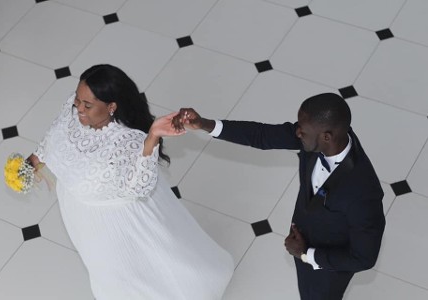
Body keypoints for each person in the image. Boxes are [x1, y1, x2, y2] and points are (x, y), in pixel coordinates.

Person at [27, 64, 234, 300]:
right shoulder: (74, 108)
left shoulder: (127, 141)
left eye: (87, 105)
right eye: (77, 99)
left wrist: (152, 137)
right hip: (79, 214)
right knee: (106, 273)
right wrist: (34, 159)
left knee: (140, 267)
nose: (78, 108)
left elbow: (140, 187)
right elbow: (56, 134)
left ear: (111, 107)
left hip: (116, 222)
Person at [173, 93, 385, 300]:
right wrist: (204, 124)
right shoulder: (318, 137)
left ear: (326, 137)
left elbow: (364, 258)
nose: (297, 132)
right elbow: (261, 135)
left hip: (327, 264)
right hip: (302, 238)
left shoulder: (363, 193)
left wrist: (306, 254)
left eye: (302, 129)